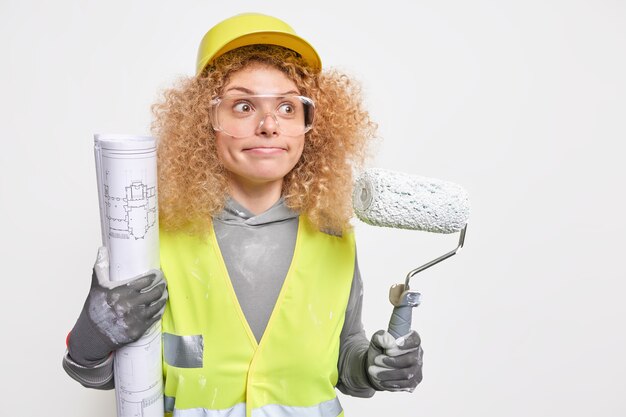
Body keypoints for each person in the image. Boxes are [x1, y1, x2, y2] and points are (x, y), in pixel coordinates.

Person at [63, 12, 423, 416]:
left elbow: (342, 357)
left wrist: (374, 367)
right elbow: (111, 376)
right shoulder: (150, 236)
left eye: (288, 107)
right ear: (205, 122)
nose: (269, 125)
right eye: (244, 105)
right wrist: (90, 339)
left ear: (311, 124)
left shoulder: (333, 233)